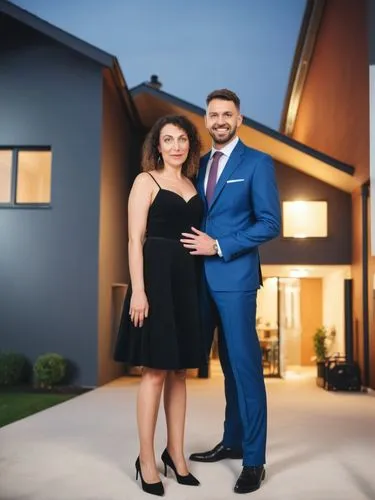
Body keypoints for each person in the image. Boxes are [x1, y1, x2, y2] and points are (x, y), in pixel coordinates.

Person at [181, 89, 281, 494]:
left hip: (235, 279)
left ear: (239, 119)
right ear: (205, 120)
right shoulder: (199, 164)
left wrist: (219, 245)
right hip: (197, 280)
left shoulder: (257, 163)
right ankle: (232, 440)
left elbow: (270, 223)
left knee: (245, 367)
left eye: (227, 114)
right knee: (224, 367)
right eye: (213, 114)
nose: (219, 120)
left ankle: (254, 461)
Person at [114, 115, 204, 496]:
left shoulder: (192, 185)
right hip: (154, 282)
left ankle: (176, 455)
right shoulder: (145, 181)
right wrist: (138, 290)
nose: (176, 146)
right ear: (157, 146)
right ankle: (146, 459)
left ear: (189, 146)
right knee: (153, 372)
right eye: (168, 139)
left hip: (188, 282)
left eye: (182, 139)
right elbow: (135, 240)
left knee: (180, 372)